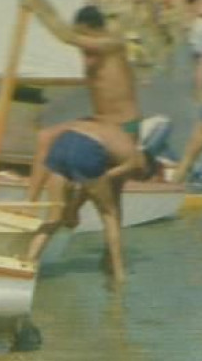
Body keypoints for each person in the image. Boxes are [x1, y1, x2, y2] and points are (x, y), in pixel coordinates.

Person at [23, 0, 143, 198]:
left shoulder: (111, 44)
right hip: (99, 123)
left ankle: (30, 204)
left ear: (95, 31)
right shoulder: (92, 44)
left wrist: (35, 7)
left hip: (123, 127)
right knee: (47, 139)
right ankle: (34, 202)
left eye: (85, 37)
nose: (83, 51)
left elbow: (66, 36)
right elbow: (65, 29)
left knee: (45, 137)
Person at [23, 117, 163, 284]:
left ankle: (29, 260)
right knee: (110, 215)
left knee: (55, 216)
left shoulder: (119, 140)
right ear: (145, 168)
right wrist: (74, 209)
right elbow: (98, 180)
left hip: (63, 141)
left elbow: (89, 183)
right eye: (138, 177)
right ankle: (119, 275)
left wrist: (72, 209)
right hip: (86, 147)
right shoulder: (135, 161)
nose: (132, 178)